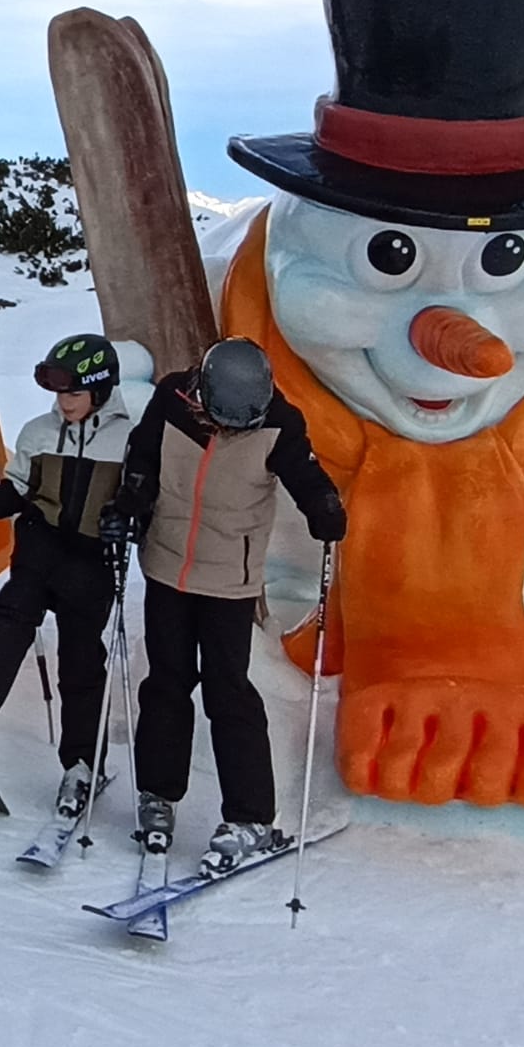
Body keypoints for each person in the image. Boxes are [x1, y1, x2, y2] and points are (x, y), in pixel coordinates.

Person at [111, 335, 346, 873]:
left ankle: (250, 816)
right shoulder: (171, 400)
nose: (234, 430)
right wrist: (129, 504)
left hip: (229, 582)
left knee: (229, 693)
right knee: (165, 684)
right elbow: (142, 458)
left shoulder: (279, 423)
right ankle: (158, 794)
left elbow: (305, 474)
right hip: (166, 567)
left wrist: (324, 505)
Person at [0, 334, 131, 820]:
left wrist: (128, 520)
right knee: (12, 610)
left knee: (80, 659)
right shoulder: (38, 432)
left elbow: (142, 500)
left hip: (91, 561)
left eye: (74, 393)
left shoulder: (129, 440)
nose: (64, 403)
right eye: (58, 393)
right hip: (41, 546)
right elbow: (17, 491)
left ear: (101, 390)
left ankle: (81, 766)